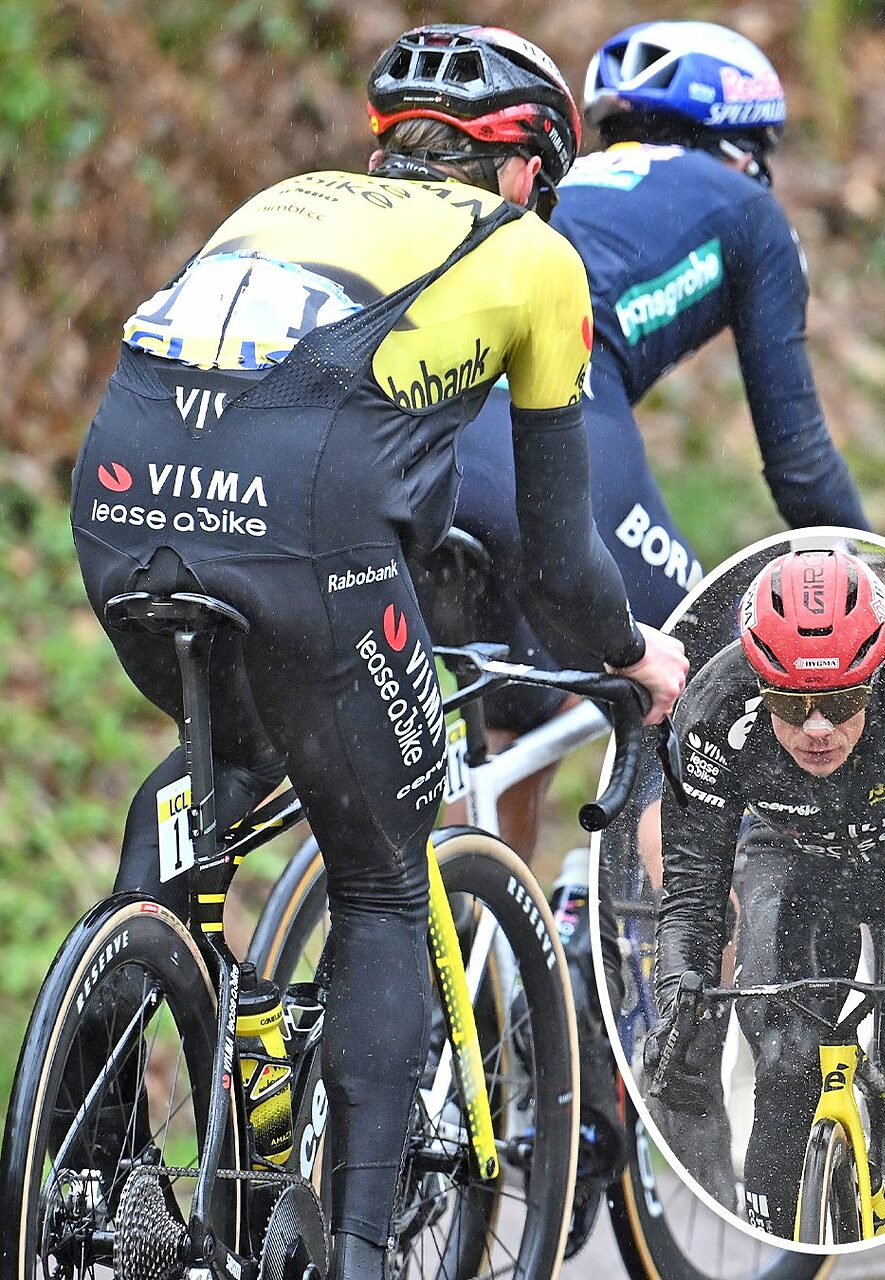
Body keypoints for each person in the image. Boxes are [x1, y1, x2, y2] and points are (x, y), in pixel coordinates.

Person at [69, 23, 689, 1280]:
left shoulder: (285, 200)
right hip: (303, 537)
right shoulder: (533, 251)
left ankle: (90, 1173)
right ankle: (358, 1252)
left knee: (210, 779)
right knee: (384, 872)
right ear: (528, 169)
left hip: (122, 513)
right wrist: (632, 653)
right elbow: (560, 565)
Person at [453, 19, 868, 799]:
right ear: (742, 146)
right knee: (702, 674)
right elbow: (800, 462)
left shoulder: (566, 185)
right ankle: (668, 884)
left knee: (516, 721)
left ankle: (487, 883)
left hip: (433, 442)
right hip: (551, 432)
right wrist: (873, 573)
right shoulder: (746, 206)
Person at [647, 546, 885, 1237]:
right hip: (793, 862)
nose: (816, 728)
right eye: (790, 703)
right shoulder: (713, 708)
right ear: (758, 683)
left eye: (842, 700)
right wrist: (677, 999)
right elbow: (692, 893)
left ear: (876, 673)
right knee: (784, 1064)